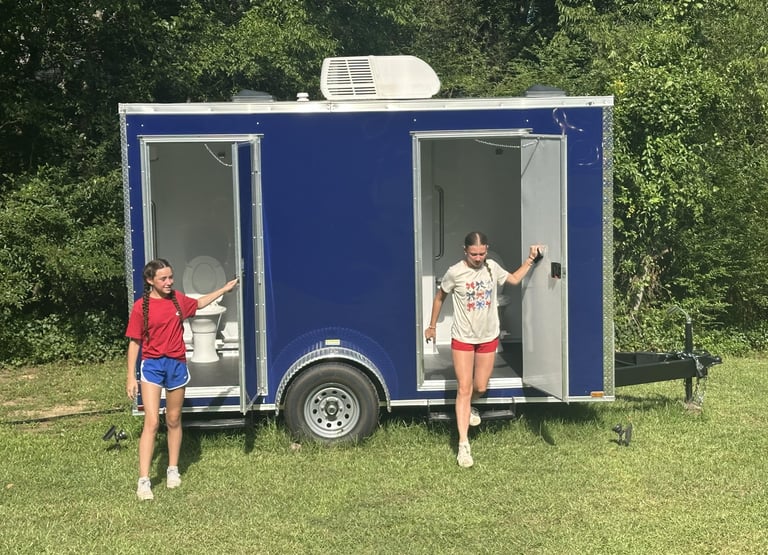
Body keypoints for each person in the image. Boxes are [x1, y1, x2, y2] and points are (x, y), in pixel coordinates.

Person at [425, 232, 541, 468]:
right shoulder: (455, 272)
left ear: (486, 249)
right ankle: (463, 445)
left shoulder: (492, 267)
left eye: (482, 253)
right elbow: (439, 298)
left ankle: (468, 408)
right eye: (473, 254)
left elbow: (514, 280)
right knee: (464, 388)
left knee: (480, 386)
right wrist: (432, 326)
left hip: (488, 336)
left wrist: (530, 260)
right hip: (463, 338)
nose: (478, 258)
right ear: (464, 250)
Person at [125, 258, 238, 500]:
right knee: (153, 422)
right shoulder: (140, 307)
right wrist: (130, 377)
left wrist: (223, 289)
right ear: (150, 281)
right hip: (153, 366)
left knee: (174, 418)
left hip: (177, 365)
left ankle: (172, 470)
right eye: (163, 278)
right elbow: (134, 342)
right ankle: (144, 481)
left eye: (170, 277)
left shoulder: (177, 299)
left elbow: (198, 303)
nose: (169, 282)